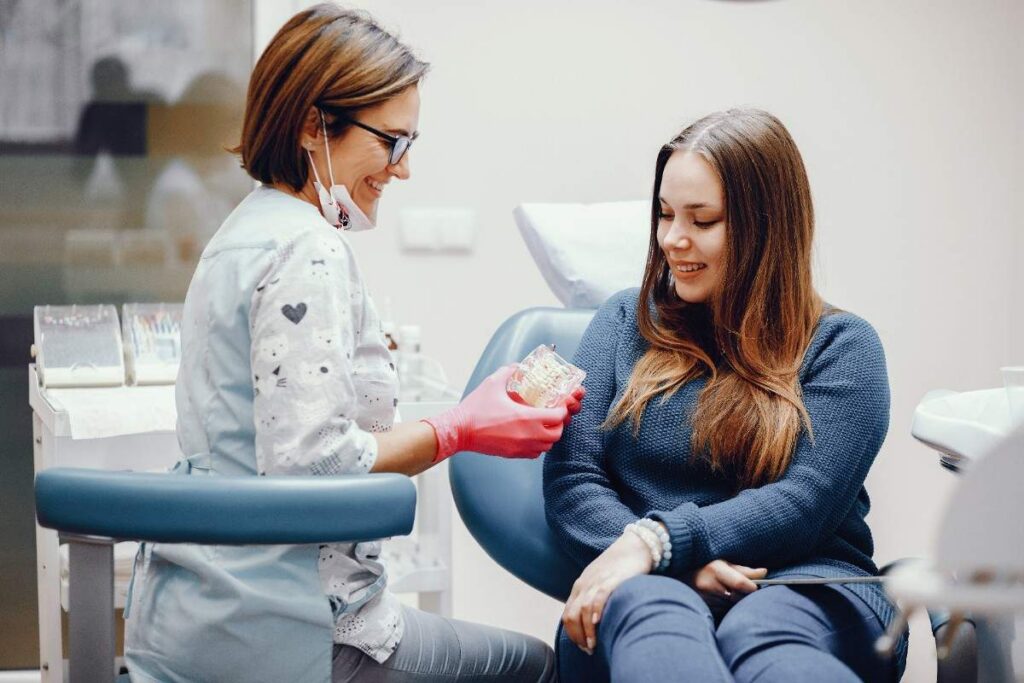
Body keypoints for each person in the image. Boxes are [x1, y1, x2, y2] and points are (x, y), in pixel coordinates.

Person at [124, 6, 578, 682]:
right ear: (314, 124)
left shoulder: (243, 232)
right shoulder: (308, 247)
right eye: (392, 142)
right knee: (539, 666)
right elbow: (312, 467)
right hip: (291, 630)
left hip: (195, 613)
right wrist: (457, 427)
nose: (402, 169)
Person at [543, 108, 907, 682]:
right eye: (664, 214)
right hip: (645, 586)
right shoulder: (620, 323)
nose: (672, 239)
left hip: (808, 583)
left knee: (761, 632)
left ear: (769, 227)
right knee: (650, 611)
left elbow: (805, 502)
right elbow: (573, 480)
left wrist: (659, 540)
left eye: (702, 219)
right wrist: (666, 565)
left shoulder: (843, 346)